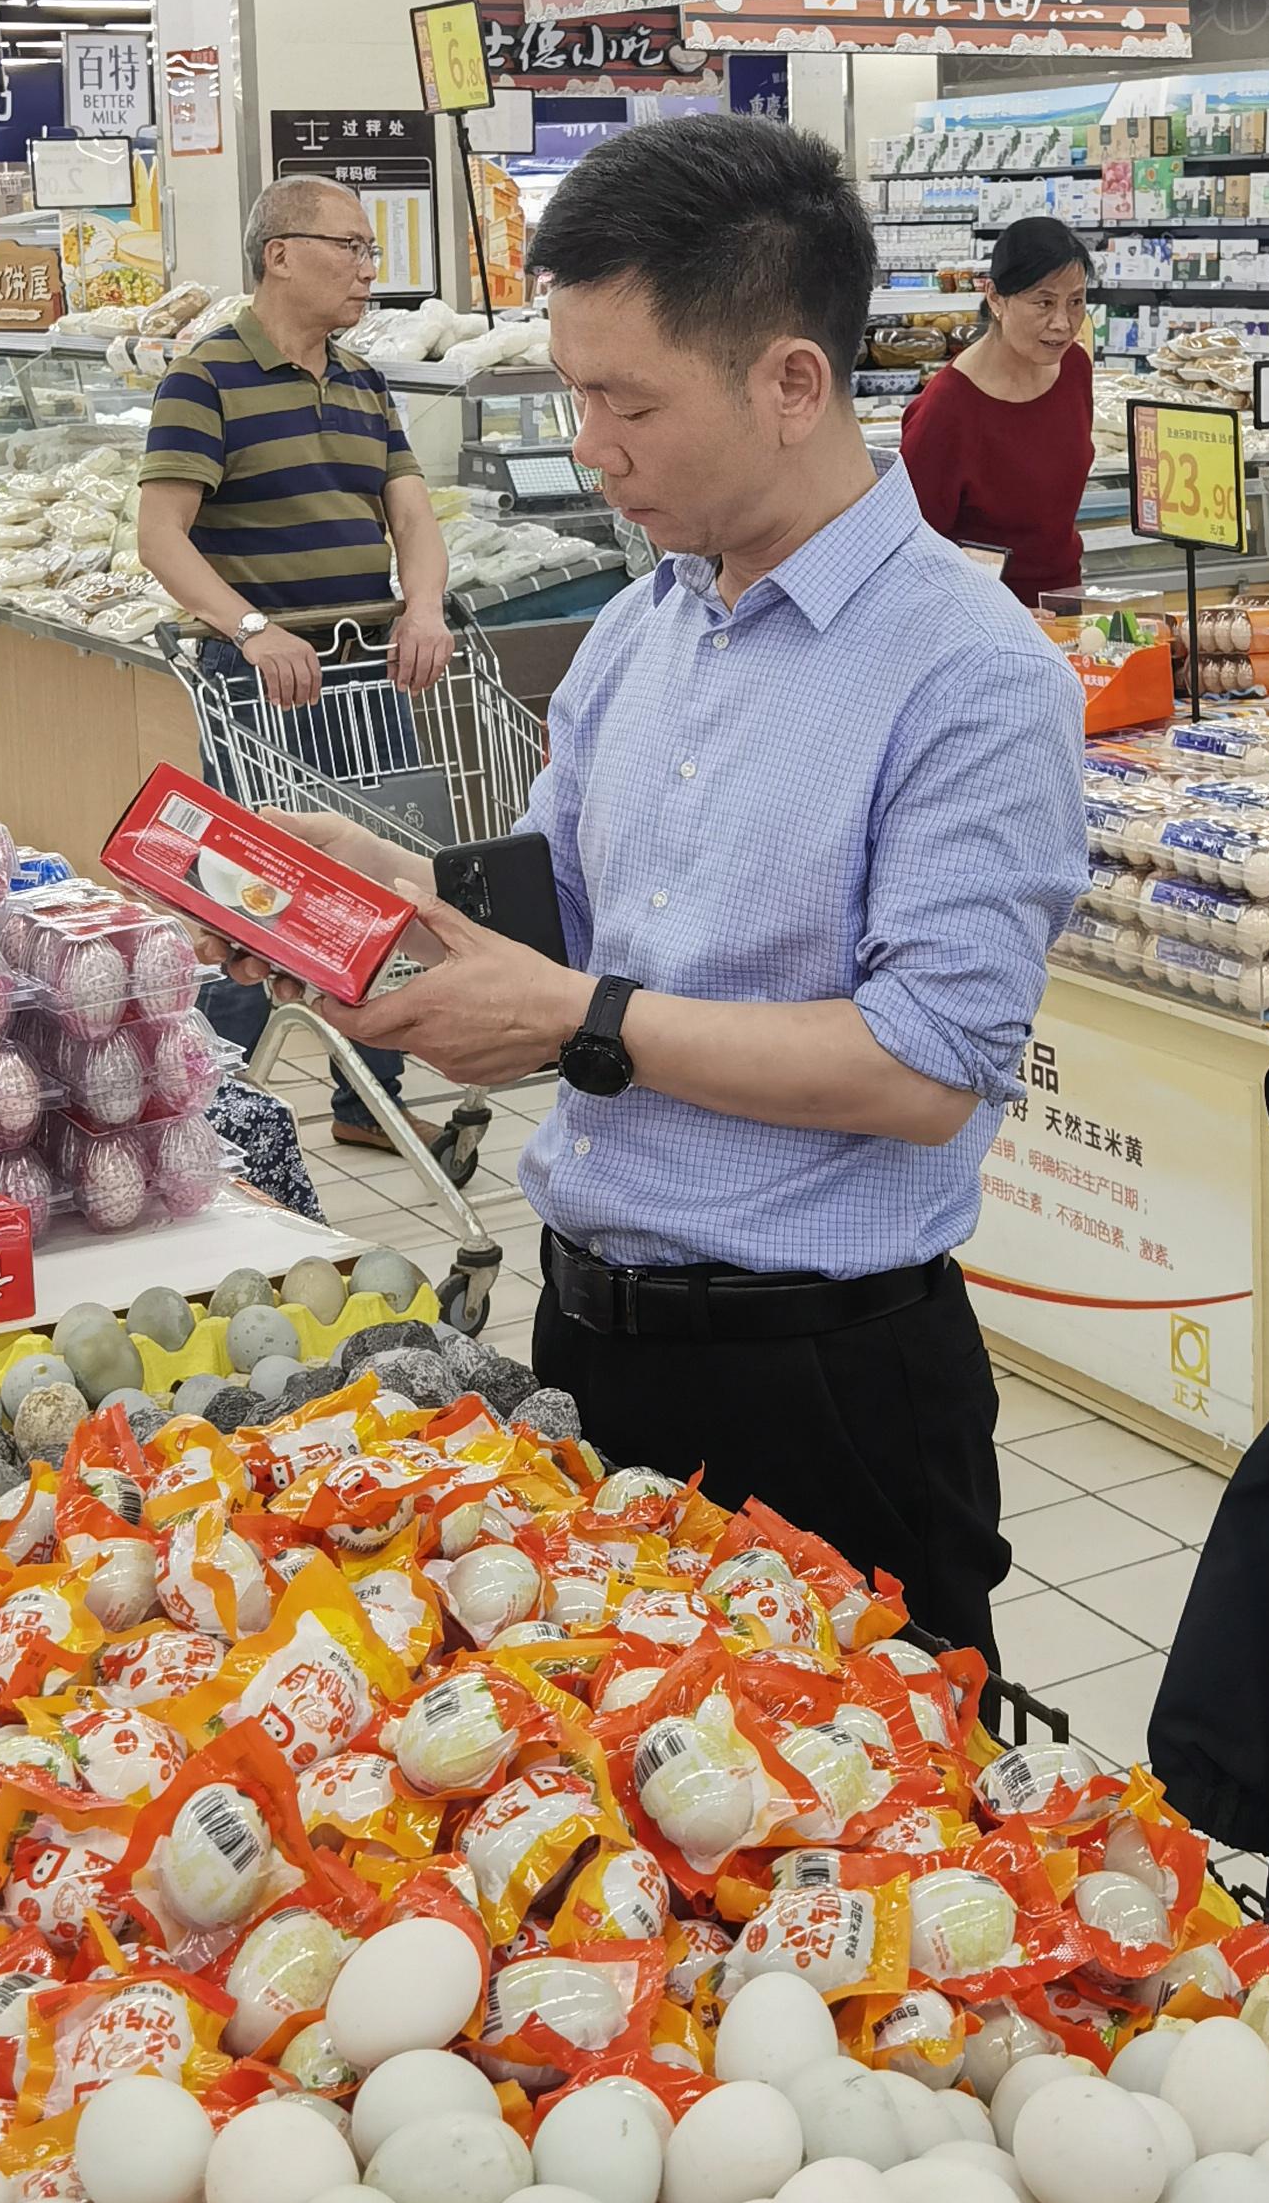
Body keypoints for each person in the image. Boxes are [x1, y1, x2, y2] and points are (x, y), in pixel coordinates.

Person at [290, 114, 1085, 1659]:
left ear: (791, 384)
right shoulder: (641, 627)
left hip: (822, 1389)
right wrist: (398, 897)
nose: (590, 445)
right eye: (575, 392)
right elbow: (570, 929)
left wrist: (579, 1018)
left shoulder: (971, 676)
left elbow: (925, 1067)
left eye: (628, 400)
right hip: (588, 1339)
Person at [135, 174, 456, 1151]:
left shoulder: (363, 382)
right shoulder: (205, 378)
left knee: (378, 896)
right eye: (349, 246)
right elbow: (161, 534)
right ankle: (206, 1105)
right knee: (256, 894)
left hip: (368, 676)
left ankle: (369, 1099)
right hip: (259, 685)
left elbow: (412, 516)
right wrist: (250, 628)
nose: (369, 268)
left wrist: (424, 605)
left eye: (369, 250)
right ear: (280, 254)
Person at [899, 217, 1098, 606]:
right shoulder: (947, 408)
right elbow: (910, 546)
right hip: (977, 615)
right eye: (1044, 302)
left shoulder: (1075, 368)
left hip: (1065, 603)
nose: (1063, 323)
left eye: (1075, 302)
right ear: (995, 298)